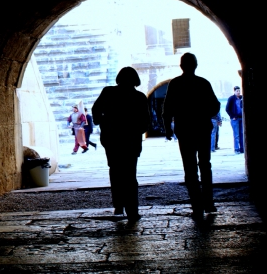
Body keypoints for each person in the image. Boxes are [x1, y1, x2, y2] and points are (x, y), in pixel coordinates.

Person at [162, 53, 220, 219]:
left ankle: (197, 205)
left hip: (185, 130)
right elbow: (215, 105)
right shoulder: (203, 83)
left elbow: (167, 108)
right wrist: (204, 115)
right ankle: (208, 202)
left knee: (190, 168)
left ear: (181, 66)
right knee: (205, 165)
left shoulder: (176, 84)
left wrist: (168, 129)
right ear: (196, 65)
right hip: (202, 128)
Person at [92, 67, 150, 222]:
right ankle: (132, 210)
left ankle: (119, 205)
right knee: (130, 175)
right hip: (131, 141)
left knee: (115, 172)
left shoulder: (108, 92)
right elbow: (145, 122)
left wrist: (102, 122)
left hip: (112, 140)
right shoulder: (139, 97)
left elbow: (96, 110)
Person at [225, 86, 244, 154]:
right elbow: (227, 109)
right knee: (236, 135)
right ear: (234, 91)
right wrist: (232, 116)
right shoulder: (231, 99)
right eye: (237, 91)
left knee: (242, 134)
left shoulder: (242, 98)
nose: (238, 92)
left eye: (239, 91)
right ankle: (236, 149)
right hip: (235, 119)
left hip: (241, 118)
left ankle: (242, 148)